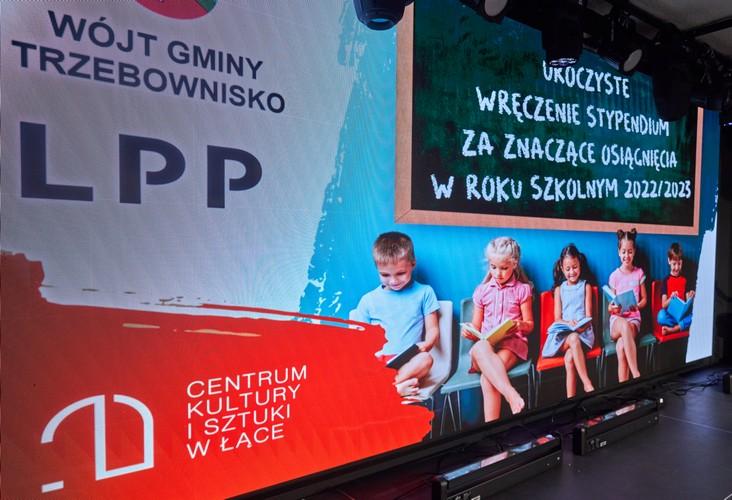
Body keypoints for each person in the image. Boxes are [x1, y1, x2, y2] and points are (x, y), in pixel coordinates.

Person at [352, 231, 440, 399]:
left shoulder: (425, 292)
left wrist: (427, 344)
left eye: (400, 273)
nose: (393, 281)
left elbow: (433, 329)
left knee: (426, 359)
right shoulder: (368, 300)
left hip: (408, 362)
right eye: (385, 275)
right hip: (378, 362)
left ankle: (388, 389)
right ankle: (396, 388)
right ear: (377, 269)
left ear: (412, 264)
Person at [463, 236, 533, 422]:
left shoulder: (522, 289)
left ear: (514, 264)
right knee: (480, 346)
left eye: (503, 268)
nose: (498, 273)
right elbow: (476, 327)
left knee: (488, 379)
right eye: (493, 267)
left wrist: (520, 325)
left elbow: (529, 326)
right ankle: (510, 393)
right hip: (486, 348)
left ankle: (491, 431)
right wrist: (469, 331)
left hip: (511, 346)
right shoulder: (482, 290)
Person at [542, 244, 595, 398]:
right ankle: (587, 383)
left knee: (570, 358)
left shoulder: (586, 286)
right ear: (561, 267)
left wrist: (580, 327)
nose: (572, 272)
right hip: (564, 337)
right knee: (572, 338)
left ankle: (571, 401)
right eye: (568, 269)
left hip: (583, 333)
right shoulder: (559, 289)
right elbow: (557, 318)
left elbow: (588, 316)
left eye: (575, 267)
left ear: (580, 265)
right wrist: (568, 325)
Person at [607, 228, 647, 383]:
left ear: (634, 252)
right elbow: (610, 307)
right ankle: (636, 374)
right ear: (619, 252)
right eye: (623, 252)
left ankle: (624, 391)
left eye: (630, 252)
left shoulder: (639, 273)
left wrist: (637, 306)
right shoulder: (614, 276)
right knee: (623, 325)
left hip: (633, 320)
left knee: (621, 347)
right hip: (617, 322)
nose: (626, 255)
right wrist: (613, 308)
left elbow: (644, 300)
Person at [657, 242, 695, 334]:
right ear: (669, 261)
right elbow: (663, 305)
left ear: (682, 262)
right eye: (674, 264)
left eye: (679, 264)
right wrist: (671, 298)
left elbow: (687, 302)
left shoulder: (685, 280)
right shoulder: (666, 281)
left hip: (683, 315)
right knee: (661, 316)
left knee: (695, 315)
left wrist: (691, 297)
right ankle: (682, 325)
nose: (677, 268)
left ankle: (673, 329)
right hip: (671, 316)